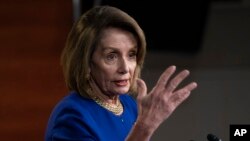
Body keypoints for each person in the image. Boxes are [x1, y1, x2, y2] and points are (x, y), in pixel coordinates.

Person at [45, 5, 198, 141]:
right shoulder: (72, 116)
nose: (125, 68)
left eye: (131, 54)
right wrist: (144, 128)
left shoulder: (129, 104)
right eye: (111, 56)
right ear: (86, 63)